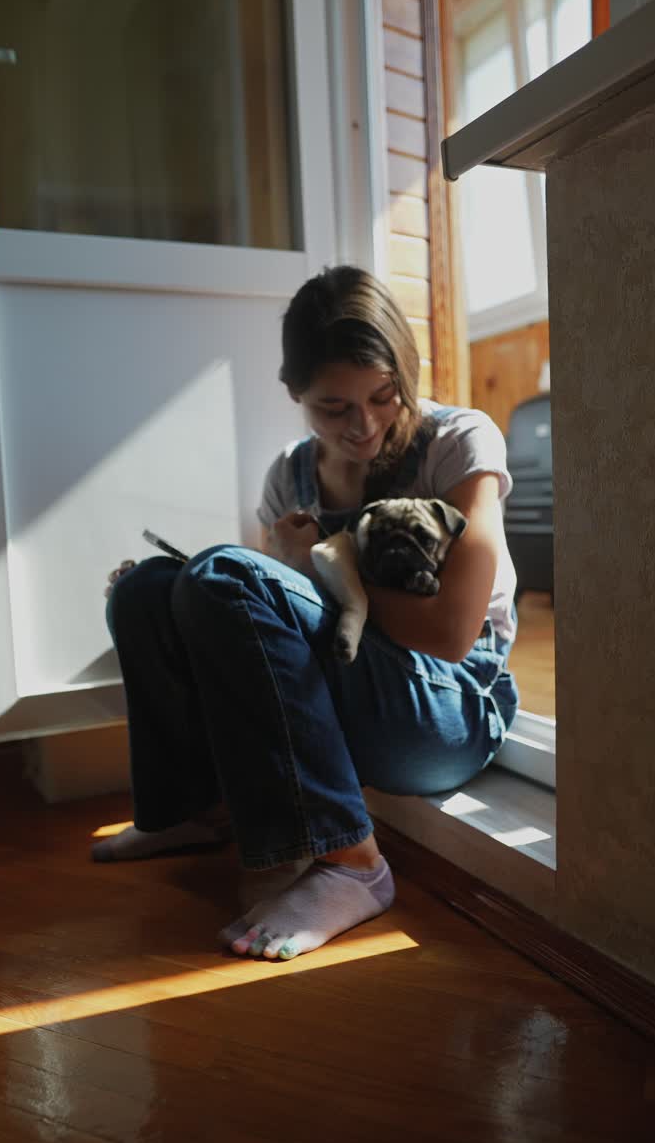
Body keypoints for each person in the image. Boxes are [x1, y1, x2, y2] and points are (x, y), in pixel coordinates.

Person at [94, 265, 520, 962]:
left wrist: (312, 571)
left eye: (384, 396)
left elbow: (450, 635)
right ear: (297, 396)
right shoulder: (289, 475)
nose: (366, 425)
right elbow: (248, 637)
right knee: (151, 589)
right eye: (334, 408)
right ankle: (195, 809)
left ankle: (353, 865)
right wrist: (209, 588)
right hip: (347, 699)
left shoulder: (457, 443)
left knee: (228, 575)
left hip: (444, 709)